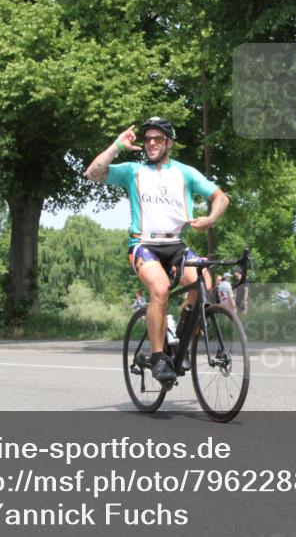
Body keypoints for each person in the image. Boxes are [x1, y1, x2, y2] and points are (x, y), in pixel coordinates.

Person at [84, 117, 229, 383]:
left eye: (157, 139)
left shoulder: (185, 173)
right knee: (160, 289)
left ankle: (180, 341)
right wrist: (117, 145)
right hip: (143, 245)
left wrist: (209, 220)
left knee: (205, 284)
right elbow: (92, 173)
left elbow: (221, 198)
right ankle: (159, 356)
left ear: (168, 143)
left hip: (175, 243)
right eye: (147, 139)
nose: (151, 143)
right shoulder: (133, 171)